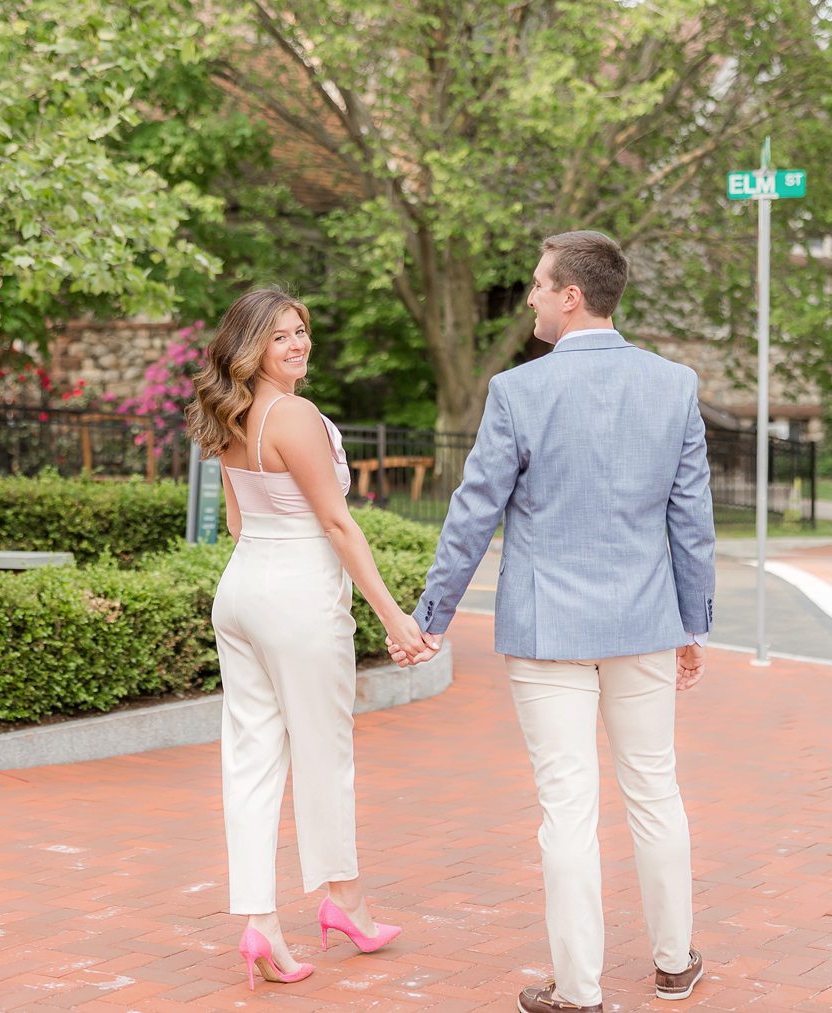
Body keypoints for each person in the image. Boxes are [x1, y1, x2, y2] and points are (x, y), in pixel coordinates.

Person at [389, 231, 715, 1012]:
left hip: (548, 632)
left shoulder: (519, 393)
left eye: (539, 285)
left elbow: (474, 513)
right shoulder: (674, 385)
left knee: (567, 805)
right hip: (643, 623)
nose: (530, 296)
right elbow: (692, 521)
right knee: (654, 789)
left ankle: (580, 990)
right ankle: (674, 964)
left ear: (573, 295)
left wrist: (432, 612)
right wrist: (692, 623)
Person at [185, 288, 436, 990]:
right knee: (325, 752)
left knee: (253, 758)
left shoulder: (229, 412)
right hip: (297, 594)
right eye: (280, 337)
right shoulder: (292, 415)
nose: (298, 345)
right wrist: (394, 617)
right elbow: (337, 524)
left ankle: (261, 920)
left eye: (301, 331)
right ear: (251, 347)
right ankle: (344, 901)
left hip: (241, 591)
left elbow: (237, 522)